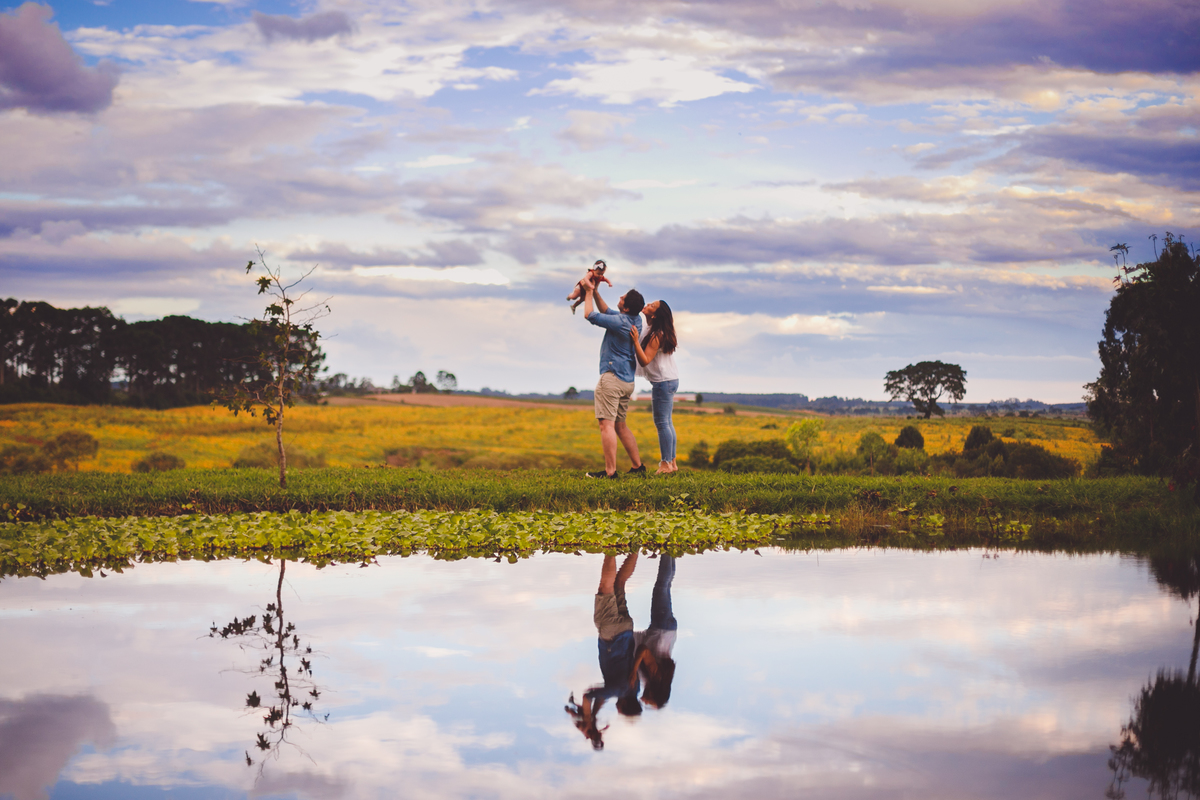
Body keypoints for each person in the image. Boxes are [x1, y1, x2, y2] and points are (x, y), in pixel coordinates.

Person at [582, 280, 645, 478]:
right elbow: (606, 310)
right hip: (627, 381)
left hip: (612, 379)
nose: (619, 297)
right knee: (620, 425)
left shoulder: (620, 322)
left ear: (625, 307)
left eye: (622, 298)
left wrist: (586, 292)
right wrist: (595, 291)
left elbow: (589, 315)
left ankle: (610, 472)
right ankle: (637, 467)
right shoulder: (635, 320)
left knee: (606, 425)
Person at [630, 300, 679, 474]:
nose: (648, 304)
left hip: (663, 382)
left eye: (652, 306)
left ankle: (666, 464)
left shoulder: (657, 334)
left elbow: (645, 360)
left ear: (655, 314)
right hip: (670, 379)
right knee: (667, 422)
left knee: (661, 422)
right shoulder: (654, 330)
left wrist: (635, 341)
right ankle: (672, 463)